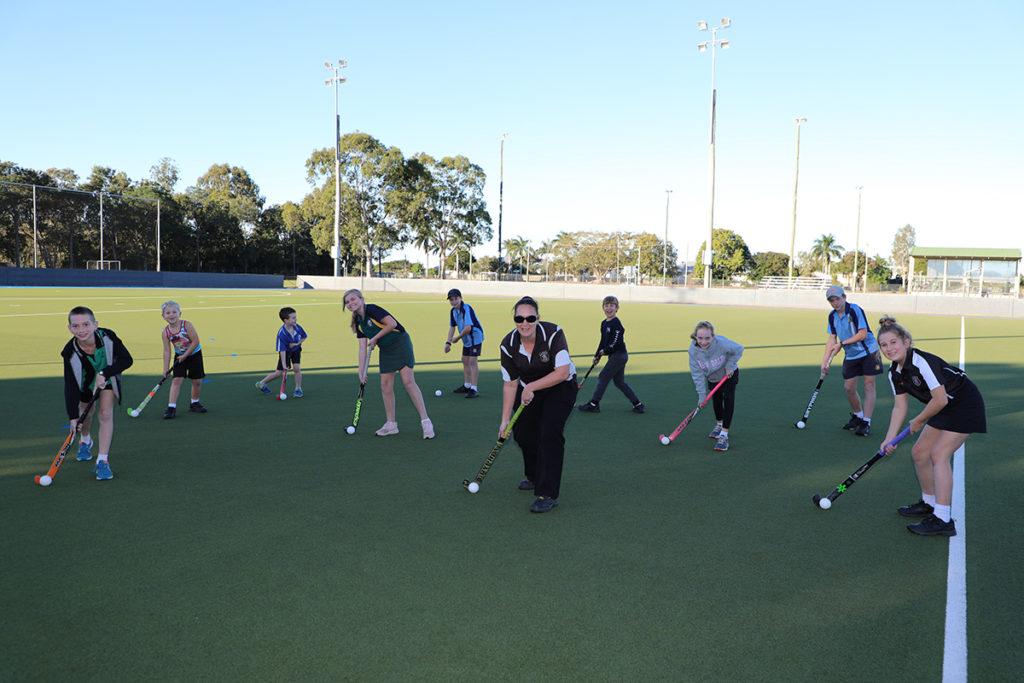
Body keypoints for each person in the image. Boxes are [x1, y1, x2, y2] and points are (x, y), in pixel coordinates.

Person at [877, 316, 986, 537]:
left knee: (938, 455)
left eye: (893, 342)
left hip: (964, 403)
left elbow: (940, 400)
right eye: (884, 345)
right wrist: (889, 438)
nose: (889, 349)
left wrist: (919, 420)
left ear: (906, 341)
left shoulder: (921, 361)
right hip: (942, 405)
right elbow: (899, 408)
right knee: (919, 453)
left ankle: (943, 519)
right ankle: (929, 503)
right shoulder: (894, 373)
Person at [499, 296, 577, 513]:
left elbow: (561, 373)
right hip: (527, 388)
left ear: (538, 318)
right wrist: (505, 421)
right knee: (523, 433)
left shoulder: (553, 334)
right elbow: (510, 385)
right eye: (519, 318)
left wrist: (531, 387)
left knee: (549, 432)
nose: (525, 323)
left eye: (530, 318)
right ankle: (534, 476)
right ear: (514, 319)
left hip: (561, 387)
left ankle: (547, 493)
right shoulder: (508, 345)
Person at [343, 289, 434, 439]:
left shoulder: (372, 309)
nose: (350, 303)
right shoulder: (358, 323)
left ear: (361, 299)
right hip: (386, 349)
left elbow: (392, 324)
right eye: (347, 302)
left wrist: (375, 338)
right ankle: (391, 424)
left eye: (353, 299)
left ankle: (426, 422)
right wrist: (361, 372)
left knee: (408, 382)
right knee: (385, 385)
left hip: (400, 343)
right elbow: (362, 348)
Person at [61, 306, 133, 481]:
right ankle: (85, 441)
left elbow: (127, 360)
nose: (81, 330)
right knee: (86, 415)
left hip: (107, 379)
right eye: (76, 326)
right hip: (85, 384)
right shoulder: (69, 352)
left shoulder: (108, 337)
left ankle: (102, 460)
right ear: (70, 328)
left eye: (86, 324)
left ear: (95, 324)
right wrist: (72, 417)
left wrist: (105, 373)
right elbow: (70, 386)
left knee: (105, 413)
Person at [822, 285, 883, 437]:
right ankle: (858, 416)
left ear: (844, 297)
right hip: (851, 354)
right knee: (849, 387)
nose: (835, 303)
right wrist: (825, 362)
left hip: (869, 351)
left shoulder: (855, 310)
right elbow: (831, 339)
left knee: (868, 385)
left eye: (837, 299)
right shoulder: (832, 316)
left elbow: (863, 334)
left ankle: (866, 422)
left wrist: (842, 344)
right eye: (831, 301)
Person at [577, 295, 644, 414]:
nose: (609, 308)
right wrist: (597, 355)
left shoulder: (616, 323)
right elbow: (603, 341)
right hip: (614, 356)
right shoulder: (604, 323)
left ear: (617, 308)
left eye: (611, 306)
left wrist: (606, 350)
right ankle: (637, 404)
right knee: (619, 382)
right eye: (606, 306)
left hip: (619, 355)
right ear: (603, 308)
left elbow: (615, 342)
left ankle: (594, 404)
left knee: (603, 377)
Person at [688, 321, 743, 452]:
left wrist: (730, 365)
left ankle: (724, 435)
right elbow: (697, 374)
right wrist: (702, 397)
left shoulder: (722, 343)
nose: (703, 341)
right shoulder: (693, 352)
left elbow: (739, 349)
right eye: (700, 338)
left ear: (713, 336)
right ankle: (719, 424)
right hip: (713, 377)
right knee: (717, 400)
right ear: (695, 336)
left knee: (728, 398)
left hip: (728, 374)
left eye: (707, 338)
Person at [160, 301, 207, 419]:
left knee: (197, 381)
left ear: (180, 313)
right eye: (168, 313)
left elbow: (196, 341)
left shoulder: (186, 325)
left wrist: (185, 355)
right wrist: (165, 368)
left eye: (174, 312)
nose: (171, 315)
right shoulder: (165, 332)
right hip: (179, 357)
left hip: (194, 355)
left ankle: (194, 403)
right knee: (176, 380)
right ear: (163, 316)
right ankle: (171, 407)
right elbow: (167, 351)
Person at [256, 307, 308, 398]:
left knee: (296, 367)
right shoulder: (281, 334)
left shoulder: (298, 327)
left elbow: (304, 337)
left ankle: (298, 389)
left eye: (295, 317)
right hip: (286, 353)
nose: (296, 319)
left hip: (296, 350)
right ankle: (262, 383)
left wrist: (297, 343)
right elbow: (282, 351)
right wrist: (284, 365)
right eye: (293, 318)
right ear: (286, 320)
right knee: (278, 373)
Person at [444, 288, 484, 398]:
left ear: (461, 298)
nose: (454, 302)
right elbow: (452, 327)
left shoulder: (466, 308)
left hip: (475, 337)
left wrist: (457, 338)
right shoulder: (453, 311)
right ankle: (467, 385)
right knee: (464, 359)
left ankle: (474, 389)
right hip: (466, 339)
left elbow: (468, 328)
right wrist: (448, 342)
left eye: (456, 299)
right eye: (451, 300)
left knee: (472, 360)